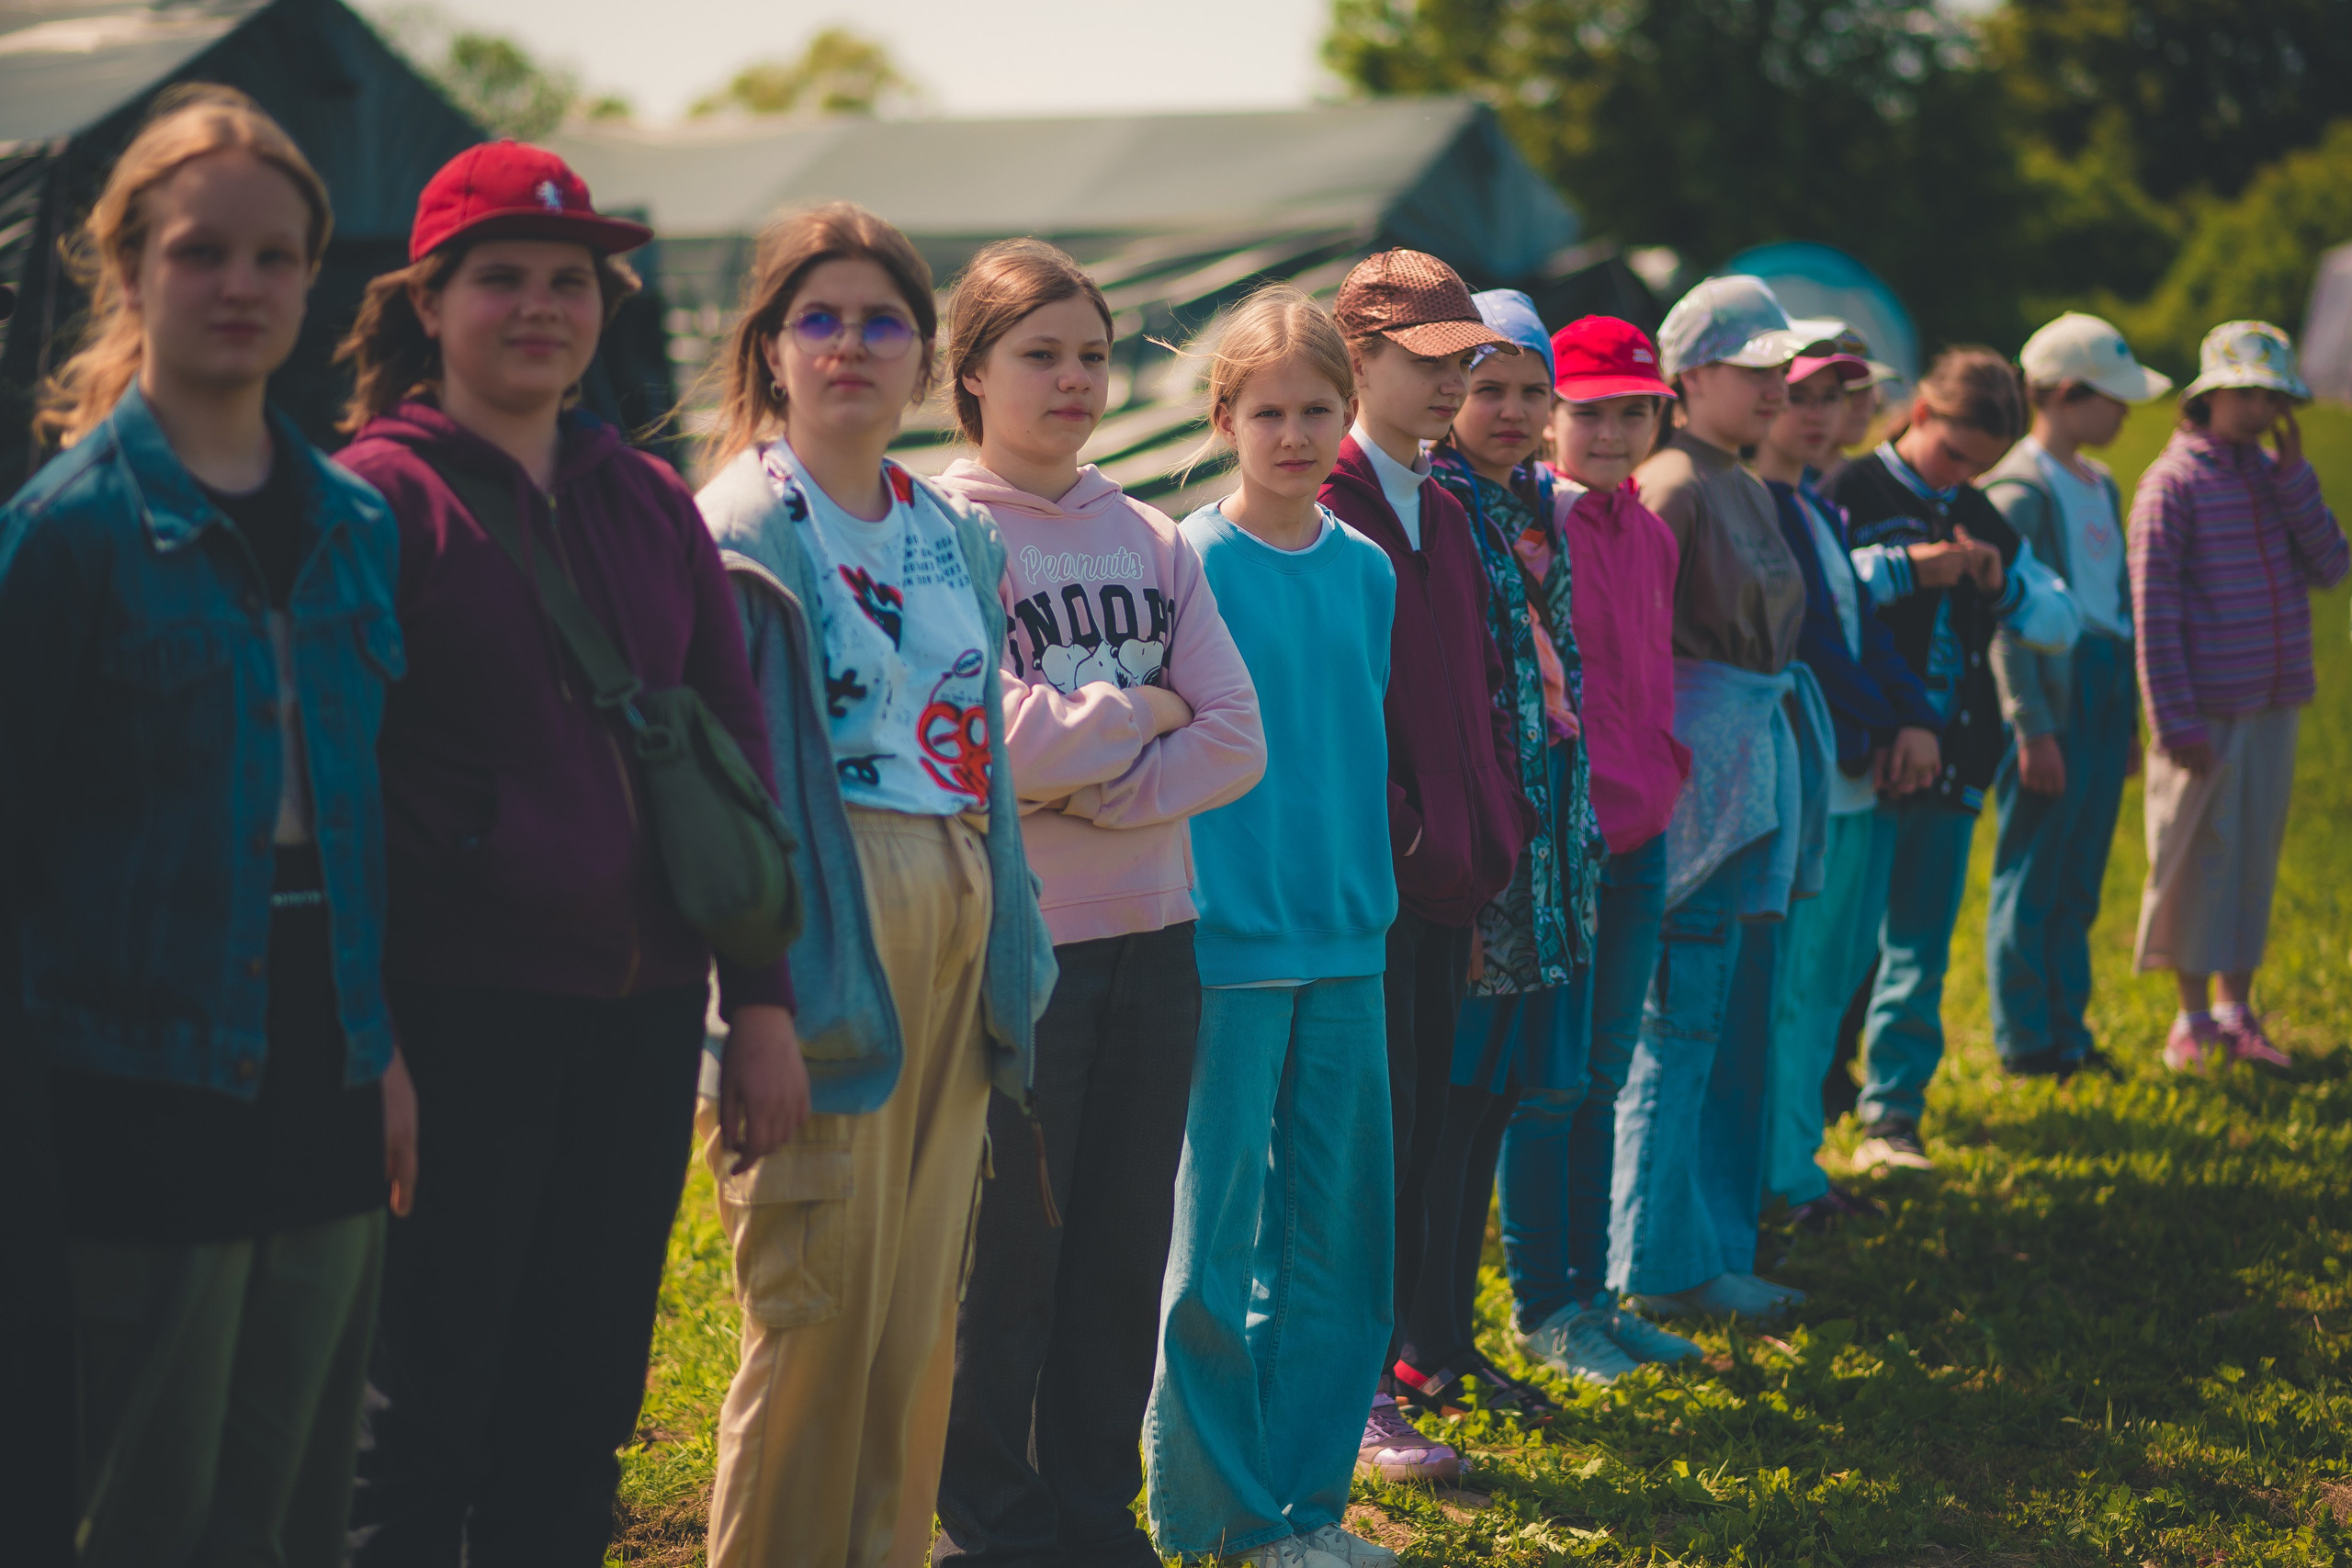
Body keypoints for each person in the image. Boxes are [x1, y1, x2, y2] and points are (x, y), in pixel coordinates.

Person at [334, 141, 795, 1563]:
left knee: (582, 1399)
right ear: (429, 298)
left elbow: (729, 745)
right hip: (453, 1014)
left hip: (644, 1012)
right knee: (423, 1411)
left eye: (573, 279)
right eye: (505, 277)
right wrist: (369, 1042)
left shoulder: (647, 499)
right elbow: (330, 792)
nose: (543, 305)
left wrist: (763, 998)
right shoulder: (371, 502)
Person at [0, 86, 413, 1564]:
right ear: (126, 273)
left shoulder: (356, 526)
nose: (240, 284)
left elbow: (364, 827)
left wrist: (387, 1052)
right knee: (150, 1510)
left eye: (274, 256)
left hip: (330, 1065)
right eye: (199, 252)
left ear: (314, 275)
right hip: (137, 1083)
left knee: (300, 1497)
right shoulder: (66, 535)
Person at [691, 202, 1057, 1568]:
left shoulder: (950, 531)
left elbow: (989, 773)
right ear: (772, 349)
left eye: (884, 318)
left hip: (956, 904)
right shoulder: (738, 524)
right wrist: (753, 998)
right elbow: (726, 796)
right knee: (816, 1302)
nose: (852, 343)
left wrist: (1007, 949)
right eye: (820, 317)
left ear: (924, 359)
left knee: (915, 1313)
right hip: (824, 921)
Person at [929, 238, 1264, 1568]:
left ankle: (1091, 1518)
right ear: (970, 372)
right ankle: (993, 1530)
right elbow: (987, 736)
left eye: (1091, 353)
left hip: (1158, 941)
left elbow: (1237, 736)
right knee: (1008, 1265)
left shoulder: (1149, 533)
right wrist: (1139, 715)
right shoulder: (940, 527)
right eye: (1039, 354)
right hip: (1024, 955)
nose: (1073, 380)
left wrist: (1096, 789)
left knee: (1120, 1258)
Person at [1147, 283, 1402, 1568]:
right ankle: (1218, 1516)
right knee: (1214, 1246)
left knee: (1343, 1241)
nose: (1294, 433)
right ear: (1224, 416)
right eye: (1268, 411)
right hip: (1225, 943)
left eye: (1317, 410)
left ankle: (1311, 1506)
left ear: (1349, 418)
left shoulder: (1368, 573)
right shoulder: (1186, 561)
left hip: (1351, 940)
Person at [1316, 251, 1531, 1478]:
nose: (1459, 380)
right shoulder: (1330, 496)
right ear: (1361, 359)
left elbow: (1484, 689)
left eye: (1469, 357)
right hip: (1364, 885)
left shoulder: (1441, 504)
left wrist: (1487, 818)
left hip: (1450, 877)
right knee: (1355, 1139)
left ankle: (1383, 1369)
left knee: (1413, 1136)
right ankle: (1348, 1394)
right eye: (1431, 359)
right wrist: (1404, 827)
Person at [1486, 314, 1701, 1380]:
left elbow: (1649, 676)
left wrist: (1663, 771)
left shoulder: (1651, 531)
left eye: (1632, 412)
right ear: (1550, 418)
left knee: (1608, 1074)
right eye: (1590, 412)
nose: (1610, 433)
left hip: (1642, 832)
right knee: (1552, 1082)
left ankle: (1597, 1294)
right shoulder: (1536, 527)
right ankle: (1545, 1308)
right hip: (1562, 843)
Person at [1614, 274, 1828, 1324]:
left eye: (1775, 369)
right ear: (1688, 375)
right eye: (1751, 370)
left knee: (1735, 1018)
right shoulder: (1673, 484)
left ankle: (1711, 1245)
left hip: (1754, 767)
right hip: (1699, 781)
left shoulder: (1739, 480)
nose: (1772, 386)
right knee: (1682, 1020)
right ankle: (1657, 1261)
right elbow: (1640, 653)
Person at [1826, 348, 2080, 1173]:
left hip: (1955, 764)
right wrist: (1914, 569)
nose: (1961, 478)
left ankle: (1892, 1115)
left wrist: (2002, 585)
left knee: (1919, 948)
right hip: (1862, 763)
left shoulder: (1978, 510)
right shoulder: (1853, 492)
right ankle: (1809, 1102)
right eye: (1954, 455)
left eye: (1980, 467)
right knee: (1838, 946)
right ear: (1922, 416)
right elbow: (1820, 588)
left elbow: (2058, 620)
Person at [1408, 288, 1589, 1417]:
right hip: (1479, 839)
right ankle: (1414, 1341)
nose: (1512, 409)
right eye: (1488, 387)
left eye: (1532, 389)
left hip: (1545, 836)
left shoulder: (1535, 506)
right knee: (1450, 1095)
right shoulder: (1437, 503)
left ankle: (1447, 1334)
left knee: (1493, 1096)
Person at [1748, 330, 1940, 1229]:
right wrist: (1885, 724)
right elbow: (1815, 649)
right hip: (1815, 783)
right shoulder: (1761, 507)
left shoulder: (1823, 510)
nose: (1821, 417)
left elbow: (1861, 627)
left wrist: (1917, 719)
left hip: (1858, 779)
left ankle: (1799, 1163)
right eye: (1802, 396)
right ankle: (1777, 1179)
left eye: (1836, 397)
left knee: (1832, 985)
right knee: (1791, 991)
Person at [2131, 321, 2346, 1071]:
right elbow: (2153, 609)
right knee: (2199, 856)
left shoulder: (2272, 476)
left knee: (2252, 852)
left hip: (2272, 702)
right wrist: (2173, 717)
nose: (2257, 410)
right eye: (2243, 393)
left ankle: (2236, 1008)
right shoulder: (2174, 483)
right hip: (2204, 712)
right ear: (2208, 395)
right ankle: (2191, 1018)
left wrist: (2295, 479)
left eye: (2271, 396)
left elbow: (2330, 565)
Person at [1983, 313, 2173, 1078]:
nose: (2125, 413)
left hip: (2100, 687)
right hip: (2048, 700)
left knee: (2081, 872)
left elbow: (2118, 605)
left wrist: (2126, 716)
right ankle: (2026, 1038)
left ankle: (2070, 1027)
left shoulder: (2103, 482)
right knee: (2033, 868)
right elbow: (2005, 622)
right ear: (2064, 395)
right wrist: (2032, 728)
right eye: (2111, 398)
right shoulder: (2018, 491)